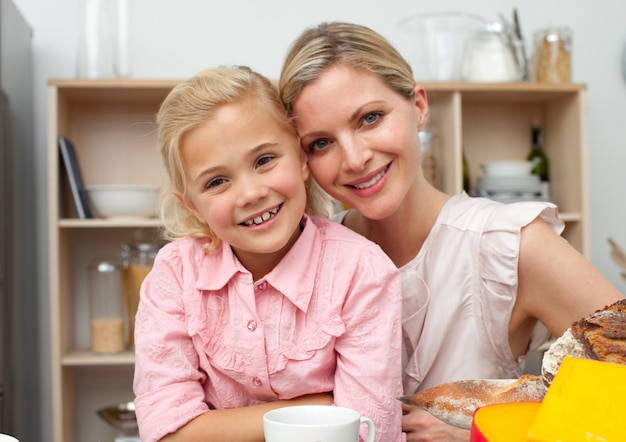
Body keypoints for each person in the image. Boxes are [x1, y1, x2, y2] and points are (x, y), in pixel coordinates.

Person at [278, 22, 625, 441]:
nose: (354, 158)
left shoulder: (508, 245)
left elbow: (616, 395)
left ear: (419, 106)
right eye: (320, 143)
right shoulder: (307, 258)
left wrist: (482, 437)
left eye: (370, 118)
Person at [133, 65, 404, 442]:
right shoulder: (176, 274)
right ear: (191, 205)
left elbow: (371, 432)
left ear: (301, 158)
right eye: (217, 182)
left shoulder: (361, 270)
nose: (250, 194)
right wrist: (322, 406)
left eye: (264, 161)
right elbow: (165, 433)